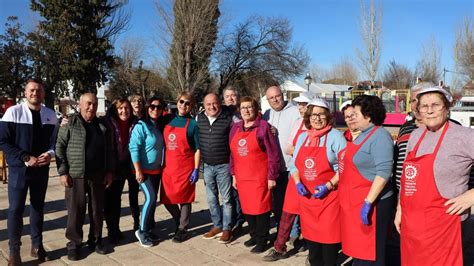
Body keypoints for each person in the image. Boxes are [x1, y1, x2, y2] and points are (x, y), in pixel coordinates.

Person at [394, 86, 474, 266]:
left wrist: (471, 197)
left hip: (445, 227)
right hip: (412, 225)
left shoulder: (464, 136)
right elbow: (408, 179)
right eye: (424, 106)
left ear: (447, 107)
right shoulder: (415, 136)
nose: (429, 110)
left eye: (435, 105)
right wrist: (400, 209)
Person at [0, 79, 57, 265]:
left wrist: (50, 154)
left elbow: (55, 142)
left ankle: (37, 245)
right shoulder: (13, 112)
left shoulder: (50, 115)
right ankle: (14, 251)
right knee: (16, 209)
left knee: (38, 208)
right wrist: (25, 157)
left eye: (39, 90)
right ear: (26, 93)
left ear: (43, 93)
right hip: (19, 170)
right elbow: (3, 141)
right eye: (32, 90)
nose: (35, 93)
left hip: (41, 170)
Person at [55, 93, 114, 261]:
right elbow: (59, 147)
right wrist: (63, 172)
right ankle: (74, 244)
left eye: (94, 104)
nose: (91, 107)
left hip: (98, 176)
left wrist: (110, 171)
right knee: (76, 211)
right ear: (80, 105)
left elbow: (110, 150)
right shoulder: (70, 123)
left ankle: (95, 240)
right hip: (76, 175)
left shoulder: (102, 126)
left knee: (97, 211)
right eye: (88, 104)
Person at [338, 95, 395, 265]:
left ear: (368, 115)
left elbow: (384, 172)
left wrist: (368, 202)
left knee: (372, 251)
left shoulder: (380, 136)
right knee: (360, 249)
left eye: (355, 113)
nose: (352, 116)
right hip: (357, 200)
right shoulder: (363, 135)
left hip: (374, 204)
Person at [290, 98, 346, 265]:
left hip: (330, 200)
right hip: (308, 201)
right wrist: (298, 182)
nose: (317, 118)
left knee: (329, 250)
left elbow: (345, 168)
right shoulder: (302, 137)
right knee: (313, 250)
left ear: (328, 116)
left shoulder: (336, 137)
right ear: (308, 117)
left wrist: (328, 185)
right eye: (314, 114)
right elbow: (294, 165)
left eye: (322, 114)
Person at [264, 91, 316, 261]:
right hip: (296, 173)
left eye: (305, 105)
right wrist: (304, 152)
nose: (301, 108)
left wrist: (300, 151)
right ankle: (280, 247)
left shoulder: (319, 125)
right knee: (288, 211)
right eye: (300, 105)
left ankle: (313, 251)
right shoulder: (298, 123)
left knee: (311, 215)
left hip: (313, 176)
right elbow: (288, 148)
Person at [229, 96, 280, 253]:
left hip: (259, 177)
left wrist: (272, 176)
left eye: (249, 107)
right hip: (242, 177)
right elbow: (232, 154)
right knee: (247, 209)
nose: (246, 110)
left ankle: (262, 239)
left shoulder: (264, 127)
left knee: (261, 210)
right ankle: (253, 235)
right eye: (243, 107)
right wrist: (234, 175)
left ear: (255, 109)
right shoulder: (235, 128)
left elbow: (273, 154)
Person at [160, 91, 200, 243]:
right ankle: (179, 222)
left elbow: (197, 148)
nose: (184, 105)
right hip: (168, 167)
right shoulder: (167, 120)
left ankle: (183, 229)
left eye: (188, 103)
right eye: (182, 101)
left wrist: (196, 169)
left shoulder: (193, 125)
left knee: (185, 200)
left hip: (185, 167)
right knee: (167, 200)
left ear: (192, 106)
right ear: (177, 102)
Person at [197, 93, 234, 243]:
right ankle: (217, 225)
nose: (212, 107)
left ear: (219, 103)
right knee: (211, 199)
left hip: (224, 165)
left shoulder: (229, 117)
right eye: (208, 104)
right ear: (204, 105)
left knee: (226, 199)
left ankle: (227, 229)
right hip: (207, 166)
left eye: (215, 103)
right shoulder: (199, 118)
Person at [129, 97, 165, 247]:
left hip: (156, 170)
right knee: (150, 198)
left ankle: (149, 229)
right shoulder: (141, 125)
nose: (155, 109)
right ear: (147, 108)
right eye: (152, 106)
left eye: (159, 107)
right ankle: (141, 231)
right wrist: (137, 170)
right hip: (142, 170)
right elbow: (133, 148)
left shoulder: (157, 126)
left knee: (152, 199)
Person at [103, 98, 139, 244]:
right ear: (115, 109)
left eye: (126, 108)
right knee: (112, 200)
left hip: (127, 164)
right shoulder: (108, 123)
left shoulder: (134, 122)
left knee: (129, 197)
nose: (124, 111)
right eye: (120, 108)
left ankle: (135, 226)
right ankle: (112, 230)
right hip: (112, 165)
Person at [262, 85, 300, 228]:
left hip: (292, 166)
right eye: (271, 98)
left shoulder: (295, 111)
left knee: (293, 203)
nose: (275, 100)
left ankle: (294, 232)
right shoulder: (267, 114)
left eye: (277, 96)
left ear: (282, 95)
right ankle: (281, 228)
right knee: (278, 201)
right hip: (276, 167)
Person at [222, 86, 245, 234]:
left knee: (239, 191)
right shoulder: (221, 113)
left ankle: (240, 219)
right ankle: (231, 220)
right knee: (228, 193)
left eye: (233, 95)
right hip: (224, 157)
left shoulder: (244, 112)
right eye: (227, 96)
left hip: (242, 157)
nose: (230, 98)